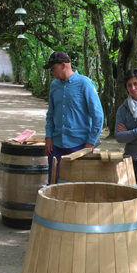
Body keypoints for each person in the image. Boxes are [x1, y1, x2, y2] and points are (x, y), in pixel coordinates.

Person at [43, 51, 104, 181]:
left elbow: (98, 116)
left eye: (53, 68)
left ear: (63, 65)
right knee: (53, 186)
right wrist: (48, 136)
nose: (51, 72)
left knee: (76, 188)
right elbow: (50, 113)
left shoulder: (85, 84)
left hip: (79, 146)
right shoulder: (54, 86)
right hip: (56, 146)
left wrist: (91, 142)